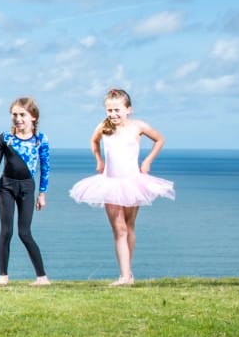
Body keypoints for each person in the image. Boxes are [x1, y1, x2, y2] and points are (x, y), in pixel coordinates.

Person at [69, 88, 173, 285]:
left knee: (129, 227)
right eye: (109, 110)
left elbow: (159, 139)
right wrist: (99, 160)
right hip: (110, 183)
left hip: (133, 183)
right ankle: (124, 276)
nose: (113, 114)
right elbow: (94, 141)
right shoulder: (103, 127)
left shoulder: (138, 126)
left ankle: (128, 273)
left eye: (117, 110)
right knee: (119, 229)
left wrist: (147, 161)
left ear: (128, 109)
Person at [0, 97, 51, 286]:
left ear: (33, 117)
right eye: (14, 115)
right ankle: (3, 276)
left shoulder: (40, 140)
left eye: (22, 115)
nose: (18, 118)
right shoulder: (6, 138)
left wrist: (42, 193)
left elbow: (45, 167)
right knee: (6, 231)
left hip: (27, 188)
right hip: (6, 187)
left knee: (25, 233)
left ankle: (42, 277)